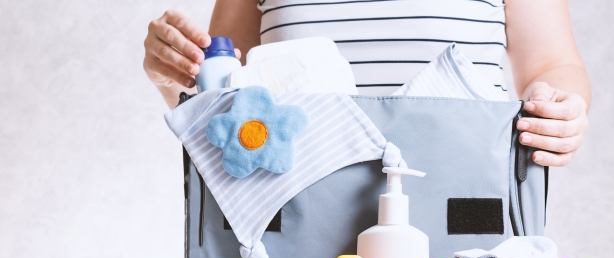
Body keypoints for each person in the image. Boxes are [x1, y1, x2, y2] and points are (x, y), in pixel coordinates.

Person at [143, 0, 590, 167]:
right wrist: (174, 75)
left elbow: (550, 63)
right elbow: (224, 100)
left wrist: (561, 107)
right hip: (293, 224)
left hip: (463, 206)